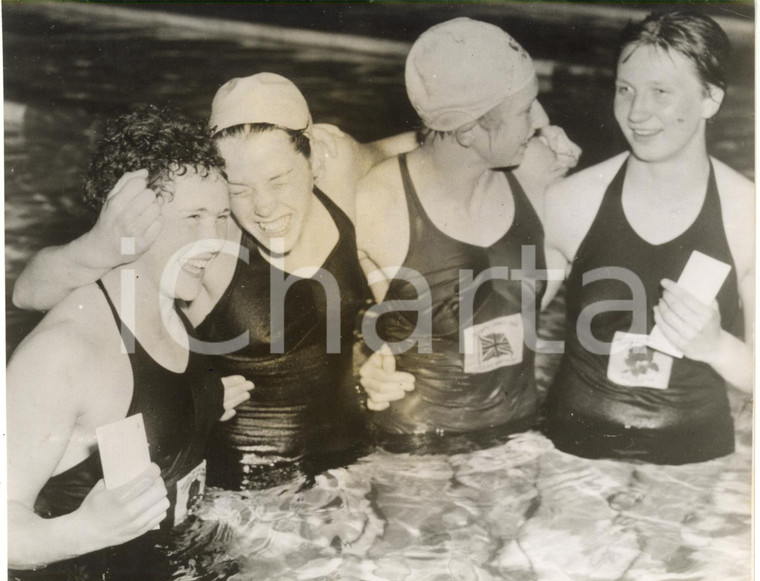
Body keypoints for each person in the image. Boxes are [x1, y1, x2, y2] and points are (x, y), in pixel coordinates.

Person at [12, 73, 417, 489]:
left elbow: (424, 144)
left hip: (352, 459)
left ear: (314, 156)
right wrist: (101, 245)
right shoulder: (212, 238)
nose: (263, 207)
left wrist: (369, 361)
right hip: (252, 492)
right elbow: (29, 293)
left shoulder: (341, 169)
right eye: (238, 190)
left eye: (278, 180)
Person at [8, 106, 252, 581]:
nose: (215, 239)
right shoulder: (65, 353)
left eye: (221, 216)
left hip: (176, 574)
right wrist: (84, 530)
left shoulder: (173, 304)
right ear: (131, 223)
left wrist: (201, 403)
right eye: (193, 218)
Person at [541, 10, 753, 464]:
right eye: (626, 90)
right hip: (575, 458)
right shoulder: (569, 202)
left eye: (660, 92)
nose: (637, 113)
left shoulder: (746, 214)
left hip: (694, 458)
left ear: (710, 98)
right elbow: (490, 326)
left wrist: (717, 346)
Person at [355, 18, 581, 443]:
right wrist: (362, 363)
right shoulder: (380, 200)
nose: (541, 122)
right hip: (417, 448)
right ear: (468, 130)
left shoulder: (536, 172)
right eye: (524, 110)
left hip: (518, 436)